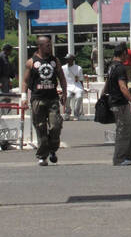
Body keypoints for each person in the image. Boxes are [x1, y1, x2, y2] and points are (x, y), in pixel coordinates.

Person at [23, 35, 67, 166]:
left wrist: (64, 92)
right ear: (40, 46)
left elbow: (62, 78)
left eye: (50, 44)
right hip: (37, 99)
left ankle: (52, 149)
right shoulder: (32, 62)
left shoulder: (55, 61)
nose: (50, 47)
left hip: (52, 98)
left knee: (55, 126)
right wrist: (24, 97)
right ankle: (42, 156)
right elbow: (25, 81)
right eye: (47, 45)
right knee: (40, 127)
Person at [106, 42, 131, 165]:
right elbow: (123, 86)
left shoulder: (111, 66)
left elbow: (108, 83)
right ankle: (119, 158)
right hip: (119, 102)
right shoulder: (120, 68)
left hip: (117, 101)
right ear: (124, 54)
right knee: (123, 130)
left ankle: (130, 155)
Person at [62, 54, 85, 119]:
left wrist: (82, 88)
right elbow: (62, 79)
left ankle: (76, 113)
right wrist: (62, 89)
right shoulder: (63, 68)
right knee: (67, 96)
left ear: (72, 60)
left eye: (68, 59)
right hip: (68, 86)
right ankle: (67, 112)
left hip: (77, 86)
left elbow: (81, 80)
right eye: (66, 59)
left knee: (79, 96)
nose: (67, 60)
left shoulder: (78, 68)